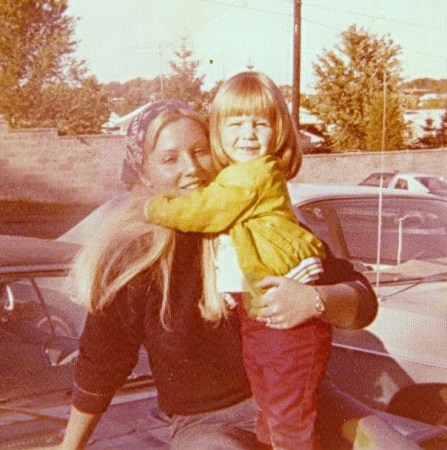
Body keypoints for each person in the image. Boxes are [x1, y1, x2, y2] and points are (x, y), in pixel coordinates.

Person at [57, 99, 378, 450]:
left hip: (306, 399)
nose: (191, 168)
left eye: (200, 151)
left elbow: (363, 303)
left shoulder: (265, 223)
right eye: (170, 158)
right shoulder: (133, 257)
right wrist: (70, 446)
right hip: (206, 424)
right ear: (144, 172)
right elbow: (102, 360)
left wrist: (316, 300)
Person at [144, 72, 329, 449]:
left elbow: (206, 211)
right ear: (218, 129)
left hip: (282, 324)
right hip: (259, 319)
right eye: (236, 123)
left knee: (288, 420)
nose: (249, 133)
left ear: (278, 131)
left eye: (261, 123)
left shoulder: (252, 174)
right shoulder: (235, 176)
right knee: (270, 409)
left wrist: (154, 206)